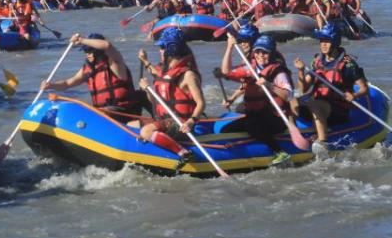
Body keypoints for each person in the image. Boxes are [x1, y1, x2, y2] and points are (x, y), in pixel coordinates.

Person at [131, 28, 205, 169]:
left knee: (146, 131)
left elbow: (201, 103)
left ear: (171, 49)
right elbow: (158, 74)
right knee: (131, 124)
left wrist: (191, 121)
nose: (159, 50)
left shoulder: (188, 75)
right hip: (165, 119)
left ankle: (183, 153)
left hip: (181, 123)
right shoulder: (167, 69)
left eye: (161, 47)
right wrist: (145, 61)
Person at [216, 34, 293, 165]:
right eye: (258, 51)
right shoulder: (250, 68)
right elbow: (226, 71)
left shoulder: (278, 73)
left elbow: (288, 96)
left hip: (277, 119)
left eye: (265, 52)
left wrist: (269, 85)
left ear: (272, 53)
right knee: (226, 130)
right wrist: (229, 47)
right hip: (257, 116)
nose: (261, 55)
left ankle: (279, 152)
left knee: (251, 125)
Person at [293, 22, 369, 148]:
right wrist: (300, 71)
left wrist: (354, 95)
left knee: (314, 104)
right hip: (319, 105)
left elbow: (364, 88)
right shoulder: (317, 61)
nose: (323, 44)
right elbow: (303, 89)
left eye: (327, 41)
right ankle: (295, 132)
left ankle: (323, 141)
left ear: (335, 42)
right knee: (292, 100)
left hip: (338, 110)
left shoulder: (348, 63)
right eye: (321, 41)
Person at [41, 33, 142, 116]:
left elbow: (107, 45)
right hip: (102, 112)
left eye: (89, 51)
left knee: (97, 113)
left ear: (98, 51)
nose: (87, 54)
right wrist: (51, 85)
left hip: (123, 111)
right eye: (85, 51)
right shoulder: (88, 69)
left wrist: (81, 40)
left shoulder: (115, 63)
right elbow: (67, 84)